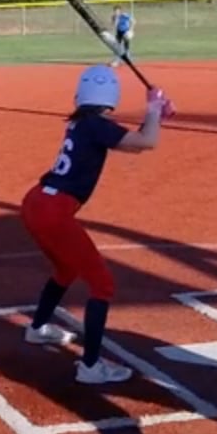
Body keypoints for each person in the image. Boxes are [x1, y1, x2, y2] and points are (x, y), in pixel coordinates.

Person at [18, 65, 174, 384]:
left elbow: (137, 143)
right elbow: (148, 142)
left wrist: (155, 114)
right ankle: (91, 367)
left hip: (36, 202)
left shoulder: (83, 122)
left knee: (66, 270)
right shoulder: (97, 125)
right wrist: (154, 107)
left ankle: (38, 328)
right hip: (54, 211)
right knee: (102, 285)